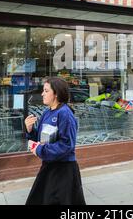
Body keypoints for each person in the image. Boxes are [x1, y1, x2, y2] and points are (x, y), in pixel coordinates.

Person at [24, 77, 86, 205]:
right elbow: (41, 139)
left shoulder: (65, 114)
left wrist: (39, 150)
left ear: (56, 94)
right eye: (43, 90)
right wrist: (30, 130)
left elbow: (66, 145)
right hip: (49, 167)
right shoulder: (47, 113)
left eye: (46, 91)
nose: (42, 94)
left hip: (64, 170)